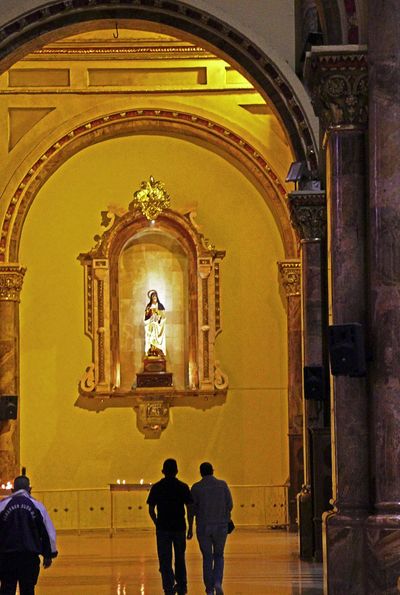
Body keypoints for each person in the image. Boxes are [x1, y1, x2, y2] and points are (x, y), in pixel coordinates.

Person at [0, 474, 57, 595]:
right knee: (28, 590)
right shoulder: (37, 506)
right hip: (29, 557)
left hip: (6, 557)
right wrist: (49, 554)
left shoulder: (2, 506)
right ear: (30, 489)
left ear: (12, 490)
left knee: (6, 589)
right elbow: (48, 532)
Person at [147, 459, 192, 595]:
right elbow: (189, 507)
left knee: (165, 559)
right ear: (176, 471)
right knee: (180, 558)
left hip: (163, 528)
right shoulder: (183, 487)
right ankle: (182, 585)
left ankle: (168, 586)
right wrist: (190, 526)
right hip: (179, 527)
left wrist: (157, 522)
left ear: (163, 471)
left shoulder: (157, 487)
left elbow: (151, 509)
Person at [187, 462, 233, 595]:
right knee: (219, 555)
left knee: (207, 557)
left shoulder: (196, 488)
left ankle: (209, 589)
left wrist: (190, 527)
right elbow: (230, 505)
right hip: (221, 526)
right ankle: (218, 582)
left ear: (201, 472)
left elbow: (191, 510)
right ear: (213, 471)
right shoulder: (222, 485)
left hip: (203, 526)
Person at [144, 289, 166, 356]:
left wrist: (159, 316)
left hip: (159, 325)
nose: (154, 298)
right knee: (153, 326)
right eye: (153, 297)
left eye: (155, 296)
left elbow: (164, 317)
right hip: (151, 324)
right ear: (151, 298)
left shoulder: (160, 306)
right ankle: (152, 349)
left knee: (156, 326)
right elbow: (146, 317)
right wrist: (150, 315)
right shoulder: (148, 306)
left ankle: (158, 349)